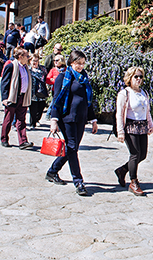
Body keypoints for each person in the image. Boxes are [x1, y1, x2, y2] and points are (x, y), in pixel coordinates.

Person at [46, 50, 98, 196]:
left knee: (71, 149)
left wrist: (93, 120)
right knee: (72, 147)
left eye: (83, 63)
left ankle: (52, 171)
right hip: (66, 118)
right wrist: (54, 120)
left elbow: (88, 101)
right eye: (78, 63)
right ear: (71, 62)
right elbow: (57, 100)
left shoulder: (84, 77)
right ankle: (78, 181)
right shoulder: (63, 77)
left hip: (81, 119)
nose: (81, 66)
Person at [114, 67, 153, 196]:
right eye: (136, 76)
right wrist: (120, 131)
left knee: (142, 155)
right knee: (135, 153)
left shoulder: (144, 93)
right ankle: (133, 182)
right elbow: (119, 114)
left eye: (140, 77)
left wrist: (150, 124)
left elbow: (147, 111)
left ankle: (122, 170)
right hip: (130, 126)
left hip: (142, 126)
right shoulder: (124, 93)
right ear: (130, 78)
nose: (138, 79)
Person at [0, 48, 34, 149]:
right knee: (8, 119)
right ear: (20, 57)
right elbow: (4, 82)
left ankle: (23, 141)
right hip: (13, 96)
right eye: (26, 56)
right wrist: (5, 98)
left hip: (23, 96)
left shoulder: (26, 68)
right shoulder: (11, 66)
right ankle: (4, 138)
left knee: (21, 120)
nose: (28, 58)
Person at [28, 54, 49, 130]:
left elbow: (46, 78)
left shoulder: (42, 69)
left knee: (41, 106)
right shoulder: (28, 69)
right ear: (30, 61)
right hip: (32, 91)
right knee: (33, 108)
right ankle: (32, 123)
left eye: (37, 61)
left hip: (41, 91)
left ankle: (37, 119)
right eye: (33, 61)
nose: (35, 63)